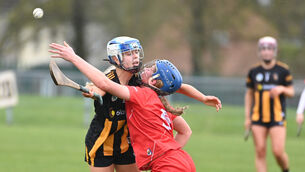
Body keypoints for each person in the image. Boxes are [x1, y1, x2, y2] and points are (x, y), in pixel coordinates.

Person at [49, 41, 222, 171]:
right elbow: (102, 85)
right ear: (117, 57)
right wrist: (203, 98)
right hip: (104, 142)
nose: (137, 58)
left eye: (136, 53)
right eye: (130, 53)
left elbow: (105, 84)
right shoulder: (152, 93)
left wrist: (73, 57)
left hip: (139, 150)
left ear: (154, 81)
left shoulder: (142, 90)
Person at [244, 36, 294, 172]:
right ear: (260, 51)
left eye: (269, 49)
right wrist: (247, 117)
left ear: (274, 51)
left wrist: (282, 89)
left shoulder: (283, 70)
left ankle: (285, 169)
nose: (266, 52)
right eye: (264, 49)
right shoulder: (253, 71)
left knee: (278, 151)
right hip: (257, 118)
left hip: (277, 117)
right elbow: (249, 94)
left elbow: (291, 92)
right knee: (260, 151)